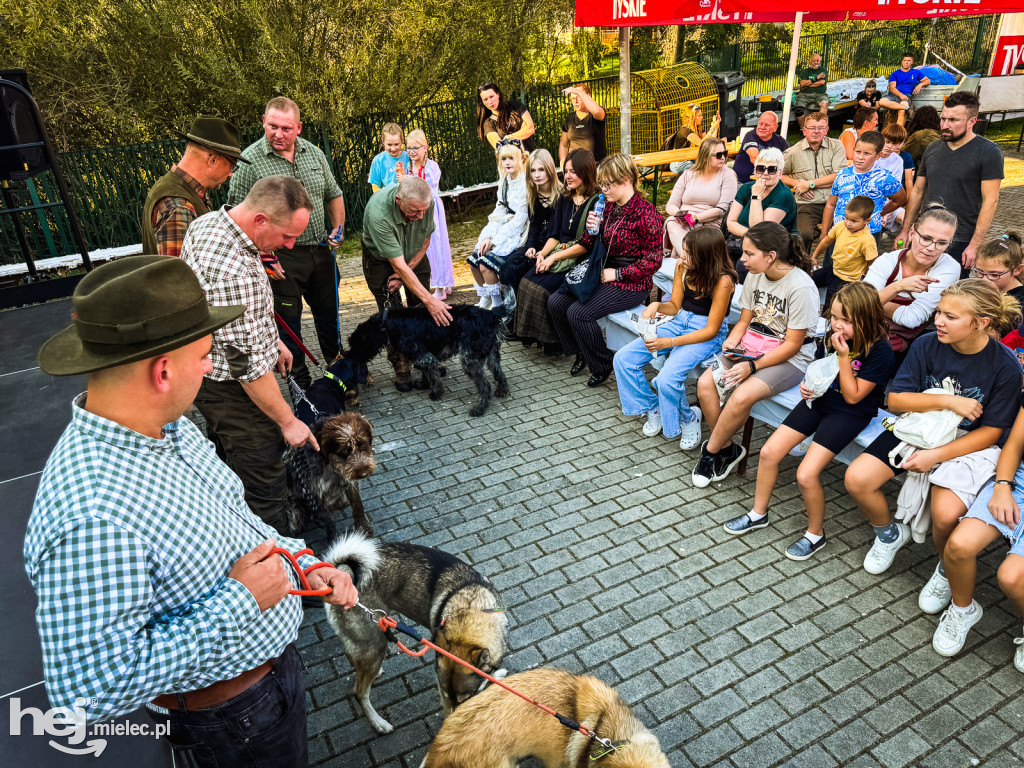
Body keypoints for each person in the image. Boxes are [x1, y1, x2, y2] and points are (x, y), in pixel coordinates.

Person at [25, 255, 359, 766]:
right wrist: (243, 602)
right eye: (204, 354)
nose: (209, 366)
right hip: (228, 723)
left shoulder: (171, 428)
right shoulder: (90, 511)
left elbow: (238, 524)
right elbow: (89, 691)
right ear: (162, 370)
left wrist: (305, 561)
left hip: (266, 683)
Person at [844, 280, 1022, 583]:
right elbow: (896, 401)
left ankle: (947, 567)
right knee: (857, 479)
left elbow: (992, 433)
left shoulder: (1006, 367)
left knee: (946, 514)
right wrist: (949, 401)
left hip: (967, 443)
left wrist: (935, 456)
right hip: (920, 428)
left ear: (981, 323)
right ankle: (889, 533)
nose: (938, 320)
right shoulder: (927, 343)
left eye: (950, 317)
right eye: (939, 312)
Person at [181, 176, 318, 526]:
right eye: (287, 235)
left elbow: (234, 316)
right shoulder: (232, 269)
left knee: (231, 461)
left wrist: (272, 339)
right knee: (265, 475)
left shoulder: (209, 223)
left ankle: (233, 527)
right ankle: (281, 562)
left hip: (210, 369)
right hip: (229, 386)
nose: (289, 245)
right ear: (260, 220)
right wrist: (288, 421)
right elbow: (249, 369)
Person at [724, 282, 894, 561]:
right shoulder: (831, 336)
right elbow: (816, 369)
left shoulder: (880, 351)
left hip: (850, 412)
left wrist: (842, 357)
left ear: (866, 319)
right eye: (835, 317)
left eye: (846, 320)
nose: (837, 326)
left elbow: (853, 398)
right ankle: (758, 514)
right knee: (768, 453)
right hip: (820, 400)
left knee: (805, 474)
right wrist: (807, 384)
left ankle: (815, 534)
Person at [228, 96, 347, 391]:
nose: (278, 134)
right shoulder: (250, 161)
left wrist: (338, 228)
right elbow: (235, 213)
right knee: (289, 326)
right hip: (280, 258)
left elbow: (334, 193)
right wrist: (264, 256)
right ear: (264, 123)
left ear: (298, 128)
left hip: (321, 251)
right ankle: (301, 386)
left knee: (329, 317)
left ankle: (340, 375)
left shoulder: (315, 154)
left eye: (285, 128)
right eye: (272, 126)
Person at [691, 222, 819, 488]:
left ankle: (710, 452)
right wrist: (731, 344)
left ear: (770, 256)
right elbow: (744, 321)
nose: (743, 258)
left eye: (749, 253)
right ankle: (728, 448)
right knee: (705, 384)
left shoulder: (801, 287)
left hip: (790, 358)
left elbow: (794, 345)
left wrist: (752, 367)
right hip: (752, 346)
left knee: (741, 396)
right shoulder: (755, 276)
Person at [613, 226, 736, 450]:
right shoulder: (683, 267)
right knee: (623, 359)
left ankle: (689, 417)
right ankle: (653, 406)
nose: (682, 256)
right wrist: (656, 304)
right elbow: (675, 306)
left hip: (705, 332)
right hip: (679, 322)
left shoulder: (723, 281)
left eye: (689, 252)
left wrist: (668, 343)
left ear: (706, 254)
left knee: (666, 379)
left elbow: (710, 330)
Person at [548, 153, 663, 388]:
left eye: (608, 184)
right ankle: (583, 350)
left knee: (579, 313)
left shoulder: (646, 213)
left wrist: (619, 274)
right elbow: (590, 243)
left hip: (632, 281)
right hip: (602, 269)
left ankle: (602, 364)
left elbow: (654, 260)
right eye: (602, 184)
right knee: (556, 302)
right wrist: (592, 230)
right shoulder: (608, 207)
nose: (603, 189)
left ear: (626, 180)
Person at [937, 404, 1024, 668]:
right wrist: (1002, 486)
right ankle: (963, 609)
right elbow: (1015, 445)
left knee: (1012, 577)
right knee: (959, 545)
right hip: (1019, 481)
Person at [361, 176, 454, 390]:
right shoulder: (378, 213)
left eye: (423, 211)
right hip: (381, 259)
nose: (421, 215)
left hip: (414, 255)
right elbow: (397, 264)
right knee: (393, 316)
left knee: (420, 310)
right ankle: (401, 365)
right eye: (415, 212)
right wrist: (431, 300)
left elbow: (426, 239)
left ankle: (425, 358)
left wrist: (409, 273)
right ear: (398, 200)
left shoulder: (424, 202)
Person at [899, 91, 1004, 275]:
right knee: (913, 288)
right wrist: (906, 230)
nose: (945, 125)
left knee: (948, 297)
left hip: (959, 240)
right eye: (943, 118)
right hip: (925, 234)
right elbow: (917, 191)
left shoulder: (988, 152)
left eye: (954, 120)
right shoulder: (933, 148)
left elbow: (991, 201)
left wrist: (975, 245)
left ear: (972, 121)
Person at [515, 149, 600, 355]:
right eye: (566, 171)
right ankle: (539, 338)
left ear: (586, 172)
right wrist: (542, 254)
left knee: (542, 288)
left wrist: (553, 257)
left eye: (573, 171)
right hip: (560, 253)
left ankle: (554, 342)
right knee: (527, 279)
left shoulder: (597, 201)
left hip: (580, 260)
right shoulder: (566, 197)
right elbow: (554, 234)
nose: (568, 176)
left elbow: (586, 246)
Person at [863, 204, 962, 363]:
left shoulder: (949, 268)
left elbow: (912, 319)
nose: (931, 248)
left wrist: (875, 301)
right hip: (863, 334)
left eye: (942, 243)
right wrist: (898, 286)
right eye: (926, 238)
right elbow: (858, 305)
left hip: (898, 348)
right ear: (912, 233)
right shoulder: (887, 261)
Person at [141, 116, 248, 257]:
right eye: (231, 166)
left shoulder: (183, 189)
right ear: (213, 160)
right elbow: (180, 274)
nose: (230, 174)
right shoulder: (179, 205)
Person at [468, 143, 529, 309]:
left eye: (511, 158)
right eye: (504, 159)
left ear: (520, 159)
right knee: (474, 260)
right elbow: (499, 209)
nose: (507, 162)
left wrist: (494, 240)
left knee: (485, 264)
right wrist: (488, 235)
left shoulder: (525, 183)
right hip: (503, 224)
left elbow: (519, 220)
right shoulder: (504, 181)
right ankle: (486, 297)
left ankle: (497, 304)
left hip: (518, 230)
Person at [821, 131, 906, 247]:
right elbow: (830, 204)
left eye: (867, 154)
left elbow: (900, 199)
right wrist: (824, 232)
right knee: (833, 263)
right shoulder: (842, 175)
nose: (860, 157)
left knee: (862, 264)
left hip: (868, 234)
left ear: (878, 156)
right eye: (857, 152)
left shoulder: (885, 178)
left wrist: (880, 212)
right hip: (840, 231)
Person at [782, 111, 850, 249]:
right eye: (812, 128)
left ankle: (833, 266)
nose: (816, 131)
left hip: (837, 200)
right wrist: (796, 183)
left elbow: (840, 176)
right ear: (804, 130)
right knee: (803, 234)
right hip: (808, 203)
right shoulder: (793, 152)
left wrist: (810, 184)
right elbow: (779, 174)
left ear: (827, 130)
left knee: (845, 231)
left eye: (821, 128)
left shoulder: (836, 146)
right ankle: (803, 265)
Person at [499, 148, 562, 298]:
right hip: (538, 244)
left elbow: (560, 232)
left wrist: (544, 251)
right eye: (533, 171)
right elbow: (534, 226)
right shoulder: (533, 195)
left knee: (530, 276)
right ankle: (513, 310)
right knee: (508, 268)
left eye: (541, 169)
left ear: (550, 169)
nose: (537, 175)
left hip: (555, 247)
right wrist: (531, 246)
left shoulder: (562, 195)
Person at [664, 137, 738, 260]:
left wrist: (696, 218)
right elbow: (671, 205)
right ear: (705, 156)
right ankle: (690, 259)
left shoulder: (728, 174)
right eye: (719, 155)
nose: (723, 158)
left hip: (708, 223)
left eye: (725, 153)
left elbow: (722, 209)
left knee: (676, 228)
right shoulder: (688, 174)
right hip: (683, 221)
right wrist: (681, 216)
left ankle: (688, 260)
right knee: (671, 222)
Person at [727, 148, 798, 274]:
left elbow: (759, 229)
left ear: (780, 174)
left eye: (771, 170)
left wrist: (756, 196)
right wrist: (749, 235)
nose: (765, 173)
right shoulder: (746, 188)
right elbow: (731, 222)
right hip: (742, 241)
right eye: (761, 169)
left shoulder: (783, 195)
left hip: (772, 246)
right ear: (755, 171)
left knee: (743, 266)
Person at [405, 129, 454, 299]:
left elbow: (427, 186)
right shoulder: (408, 167)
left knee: (437, 245)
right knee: (423, 248)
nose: (411, 152)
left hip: (431, 208)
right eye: (408, 148)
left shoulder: (431, 166)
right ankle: (433, 282)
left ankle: (441, 284)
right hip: (417, 210)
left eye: (415, 148)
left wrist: (407, 180)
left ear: (425, 148)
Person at [812, 195, 878, 306]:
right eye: (846, 218)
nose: (848, 223)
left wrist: (864, 281)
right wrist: (814, 256)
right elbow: (826, 242)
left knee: (831, 303)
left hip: (848, 279)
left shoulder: (867, 240)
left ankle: (828, 320)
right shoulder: (840, 226)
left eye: (854, 221)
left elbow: (872, 263)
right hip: (833, 268)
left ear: (867, 221)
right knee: (809, 279)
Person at [476, 81, 536, 152]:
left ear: (498, 94)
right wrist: (522, 132)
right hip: (511, 162)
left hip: (532, 157)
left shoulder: (516, 106)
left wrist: (508, 138)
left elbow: (530, 129)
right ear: (482, 102)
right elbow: (501, 149)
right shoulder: (488, 124)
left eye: (491, 97)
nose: (490, 102)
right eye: (485, 99)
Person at [665, 103, 721, 176]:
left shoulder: (698, 128)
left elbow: (711, 141)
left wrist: (715, 127)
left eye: (701, 115)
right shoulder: (685, 130)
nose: (702, 117)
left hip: (691, 159)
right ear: (692, 117)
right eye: (699, 115)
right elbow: (702, 144)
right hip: (679, 163)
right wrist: (712, 128)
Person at [559, 84, 607, 166]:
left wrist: (577, 91)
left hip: (596, 166)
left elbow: (596, 110)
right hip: (575, 167)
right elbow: (563, 145)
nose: (575, 101)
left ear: (588, 96)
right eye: (573, 98)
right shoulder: (570, 118)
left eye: (578, 97)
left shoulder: (596, 115)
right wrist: (564, 163)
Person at [733, 112, 788, 182]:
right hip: (742, 182)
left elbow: (789, 160)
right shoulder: (750, 136)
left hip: (768, 182)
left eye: (767, 125)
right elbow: (754, 157)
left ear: (775, 127)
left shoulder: (780, 142)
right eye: (760, 124)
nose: (762, 127)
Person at [368, 123, 410, 193]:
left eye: (396, 144)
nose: (393, 149)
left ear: (402, 140)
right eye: (389, 144)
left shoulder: (408, 157)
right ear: (383, 141)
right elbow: (375, 186)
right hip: (387, 200)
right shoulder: (378, 160)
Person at [888, 54, 930, 122]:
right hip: (894, 96)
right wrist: (900, 95)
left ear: (912, 62)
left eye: (909, 60)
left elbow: (927, 81)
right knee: (881, 101)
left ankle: (899, 132)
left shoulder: (916, 72)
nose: (906, 62)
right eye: (904, 60)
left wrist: (920, 85)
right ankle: (908, 108)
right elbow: (892, 88)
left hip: (906, 97)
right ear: (902, 62)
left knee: (902, 110)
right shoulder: (895, 74)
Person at [795, 53, 830, 128]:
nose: (816, 62)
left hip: (820, 95)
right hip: (805, 95)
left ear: (820, 62)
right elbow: (802, 83)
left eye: (818, 61)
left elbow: (822, 82)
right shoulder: (805, 72)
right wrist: (816, 78)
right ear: (810, 62)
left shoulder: (823, 70)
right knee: (798, 110)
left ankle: (821, 127)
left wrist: (808, 84)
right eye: (814, 61)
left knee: (824, 103)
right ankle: (803, 129)